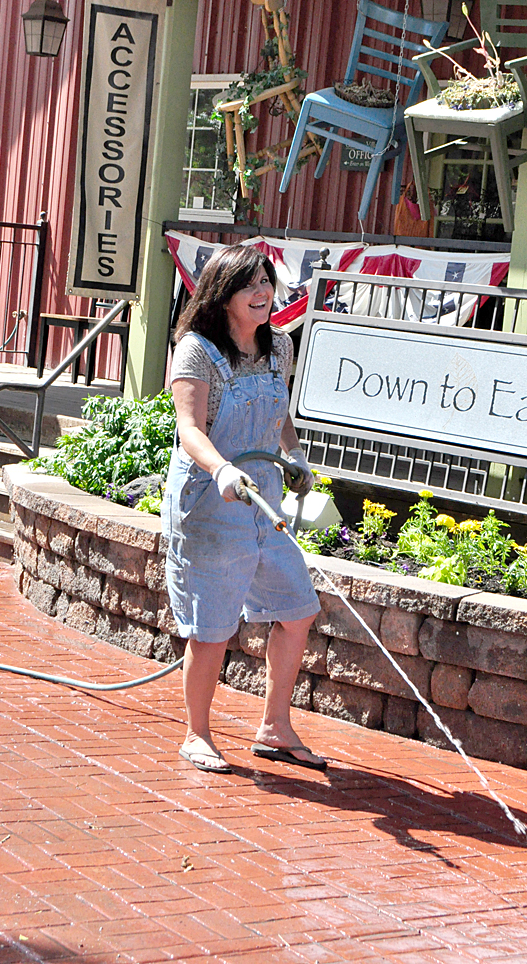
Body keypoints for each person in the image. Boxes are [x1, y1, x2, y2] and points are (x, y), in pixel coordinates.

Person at [162, 244, 326, 775]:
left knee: (298, 611)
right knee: (211, 629)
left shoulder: (279, 346)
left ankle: (275, 727)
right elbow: (190, 429)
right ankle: (197, 734)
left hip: (264, 502)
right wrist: (222, 470)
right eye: (249, 285)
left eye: (266, 283)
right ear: (222, 295)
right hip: (211, 502)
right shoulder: (196, 351)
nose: (262, 294)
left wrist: (294, 455)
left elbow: (277, 413)